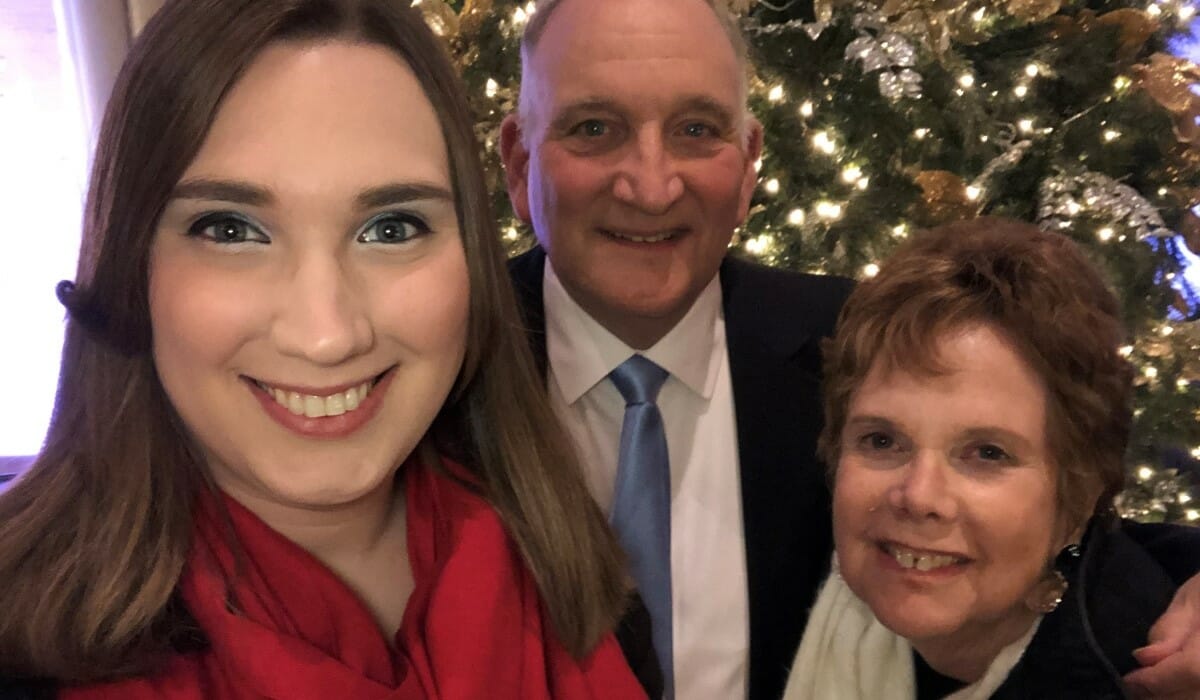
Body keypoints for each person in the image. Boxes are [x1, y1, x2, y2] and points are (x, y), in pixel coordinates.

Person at [500, 0, 1200, 698]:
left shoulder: (863, 346)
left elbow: (1060, 517)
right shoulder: (440, 371)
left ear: (747, 168)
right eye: (594, 128)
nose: (651, 187)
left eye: (696, 130)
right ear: (518, 161)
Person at [0, 0, 650, 698]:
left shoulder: (563, 566)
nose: (327, 334)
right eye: (230, 230)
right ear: (131, 264)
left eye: (391, 228)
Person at [784, 217, 1193, 699]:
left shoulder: (1140, 677)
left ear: (1078, 496)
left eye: (986, 453)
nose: (918, 495)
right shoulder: (794, 578)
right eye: (881, 441)